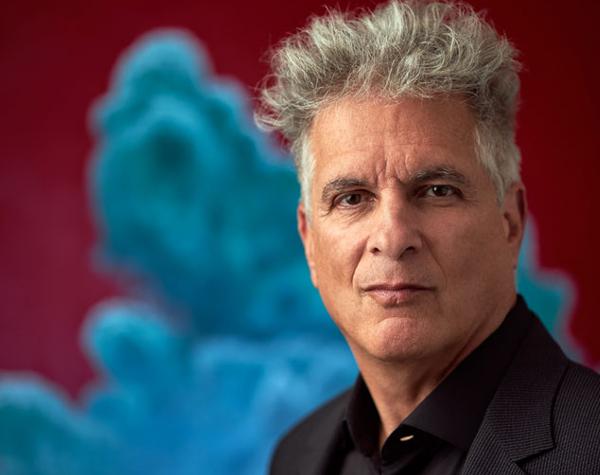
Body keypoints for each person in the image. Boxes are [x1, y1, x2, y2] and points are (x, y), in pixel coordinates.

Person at [256, 1, 600, 474]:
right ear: (309, 241)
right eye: (352, 198)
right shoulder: (297, 456)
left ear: (510, 222)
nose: (393, 237)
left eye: (437, 190)